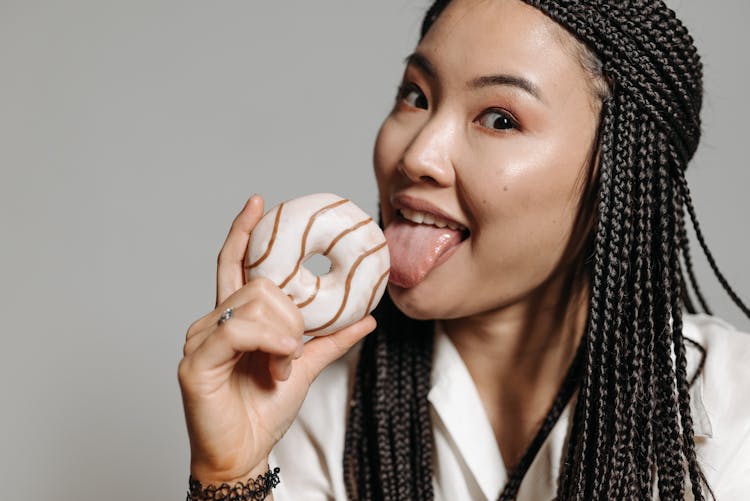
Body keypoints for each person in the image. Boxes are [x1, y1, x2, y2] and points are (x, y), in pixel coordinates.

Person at [178, 0, 750, 499]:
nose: (418, 156)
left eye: (500, 119)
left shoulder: (732, 409)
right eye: (416, 95)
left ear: (621, 178)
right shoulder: (314, 399)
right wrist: (232, 473)